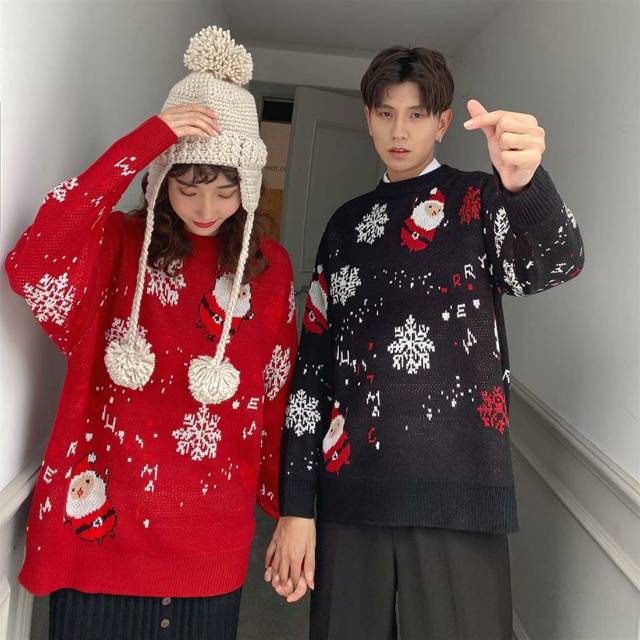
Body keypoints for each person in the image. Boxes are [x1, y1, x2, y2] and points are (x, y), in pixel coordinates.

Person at [266, 45, 584, 640]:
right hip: (351, 492)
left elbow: (557, 264)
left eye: (416, 115)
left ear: (442, 122)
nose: (399, 131)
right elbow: (312, 371)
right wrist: (297, 504)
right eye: (386, 113)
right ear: (367, 116)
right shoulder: (344, 226)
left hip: (460, 491)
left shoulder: (480, 201)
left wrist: (526, 185)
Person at [5, 26, 297, 640]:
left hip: (212, 538)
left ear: (248, 187)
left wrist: (295, 511)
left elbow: (277, 397)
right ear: (161, 179)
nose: (206, 209)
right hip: (103, 533)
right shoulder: (117, 247)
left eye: (226, 191)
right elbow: (33, 261)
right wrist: (147, 140)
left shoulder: (270, 271)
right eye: (188, 188)